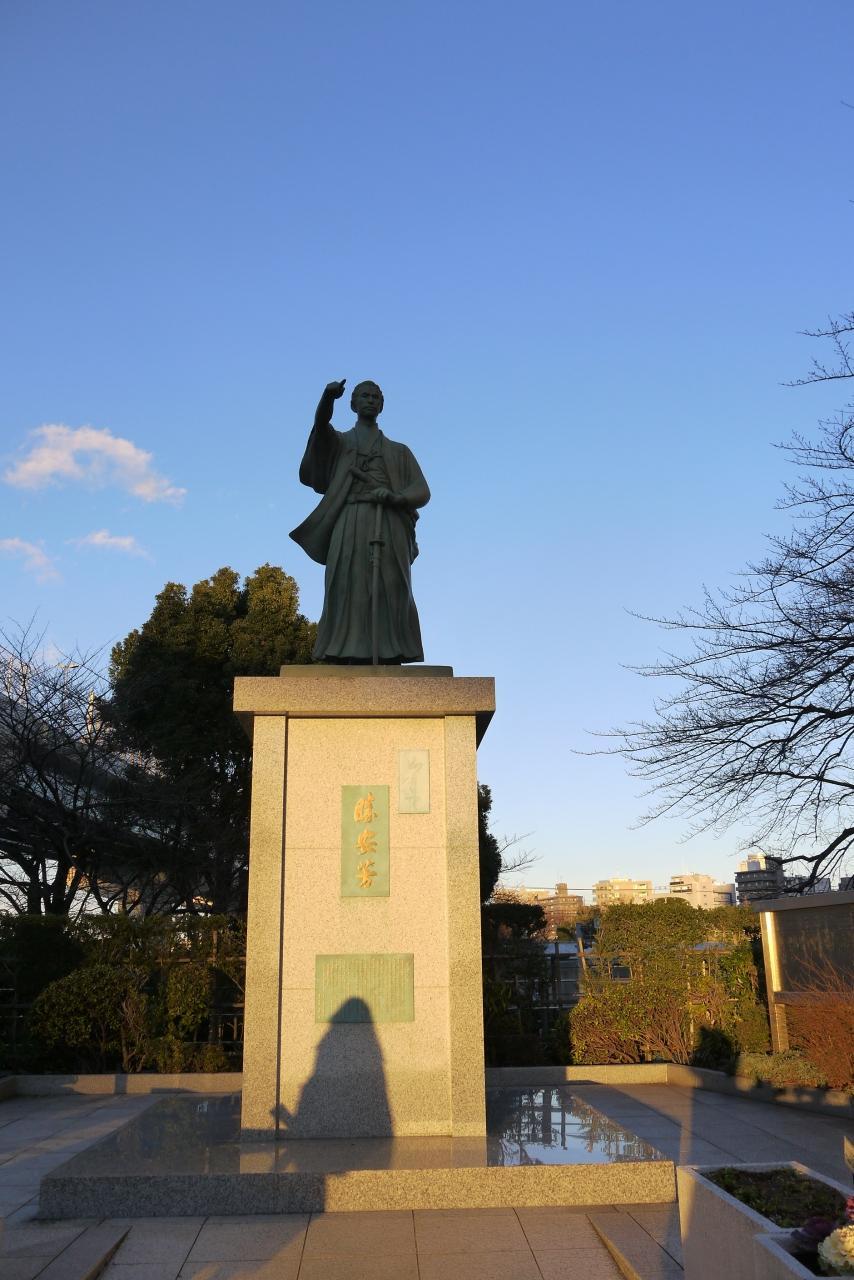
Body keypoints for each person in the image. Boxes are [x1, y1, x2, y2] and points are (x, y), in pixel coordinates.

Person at [290, 378, 430, 663]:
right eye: (364, 396)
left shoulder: (399, 451)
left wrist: (396, 498)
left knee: (393, 584)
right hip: (350, 518)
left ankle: (392, 651)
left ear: (382, 405)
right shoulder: (342, 443)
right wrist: (327, 398)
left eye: (375, 397)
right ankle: (343, 649)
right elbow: (321, 429)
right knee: (345, 582)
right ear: (353, 404)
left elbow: (422, 491)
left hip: (389, 521)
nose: (370, 400)